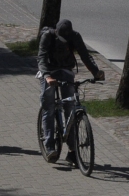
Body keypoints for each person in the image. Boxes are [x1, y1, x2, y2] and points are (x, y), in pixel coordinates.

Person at [37, 19, 104, 161]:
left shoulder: (75, 36)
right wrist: (47, 77)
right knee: (48, 107)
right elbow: (41, 58)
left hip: (66, 69)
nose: (63, 42)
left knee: (70, 107)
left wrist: (96, 72)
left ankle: (73, 151)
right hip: (48, 71)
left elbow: (85, 56)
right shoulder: (47, 36)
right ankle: (50, 147)